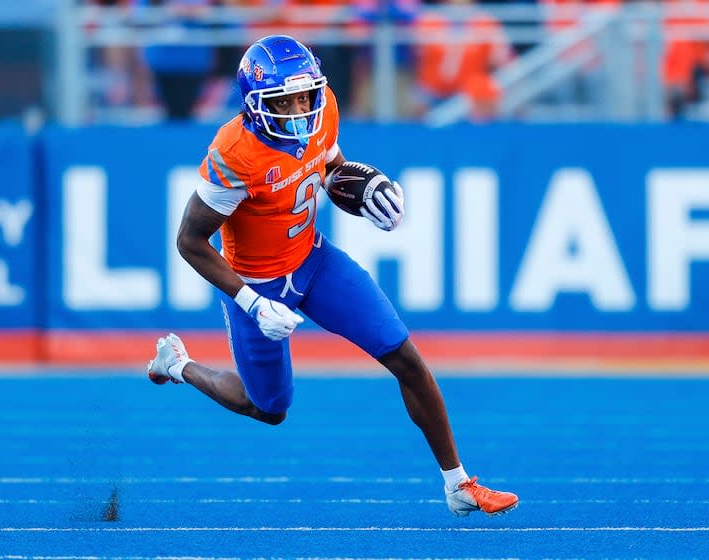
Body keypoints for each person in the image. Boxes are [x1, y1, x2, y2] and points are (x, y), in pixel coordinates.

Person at [146, 34, 518, 517]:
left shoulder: (324, 112)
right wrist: (252, 303)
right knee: (269, 408)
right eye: (286, 99)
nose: (301, 108)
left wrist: (365, 192)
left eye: (306, 95)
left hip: (313, 261)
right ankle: (178, 364)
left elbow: (329, 168)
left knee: (404, 357)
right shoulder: (234, 153)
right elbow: (190, 242)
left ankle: (458, 483)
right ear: (257, 104)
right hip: (257, 283)